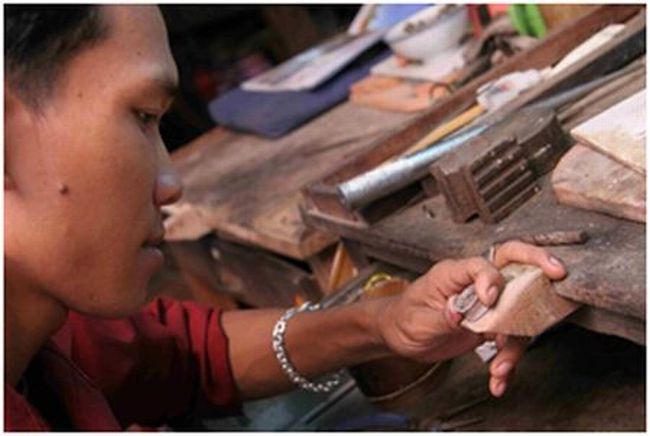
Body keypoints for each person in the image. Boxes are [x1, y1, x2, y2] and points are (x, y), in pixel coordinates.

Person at [4, 5, 567, 431]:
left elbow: (192, 354)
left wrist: (385, 323)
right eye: (144, 116)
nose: (170, 184)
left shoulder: (50, 331)